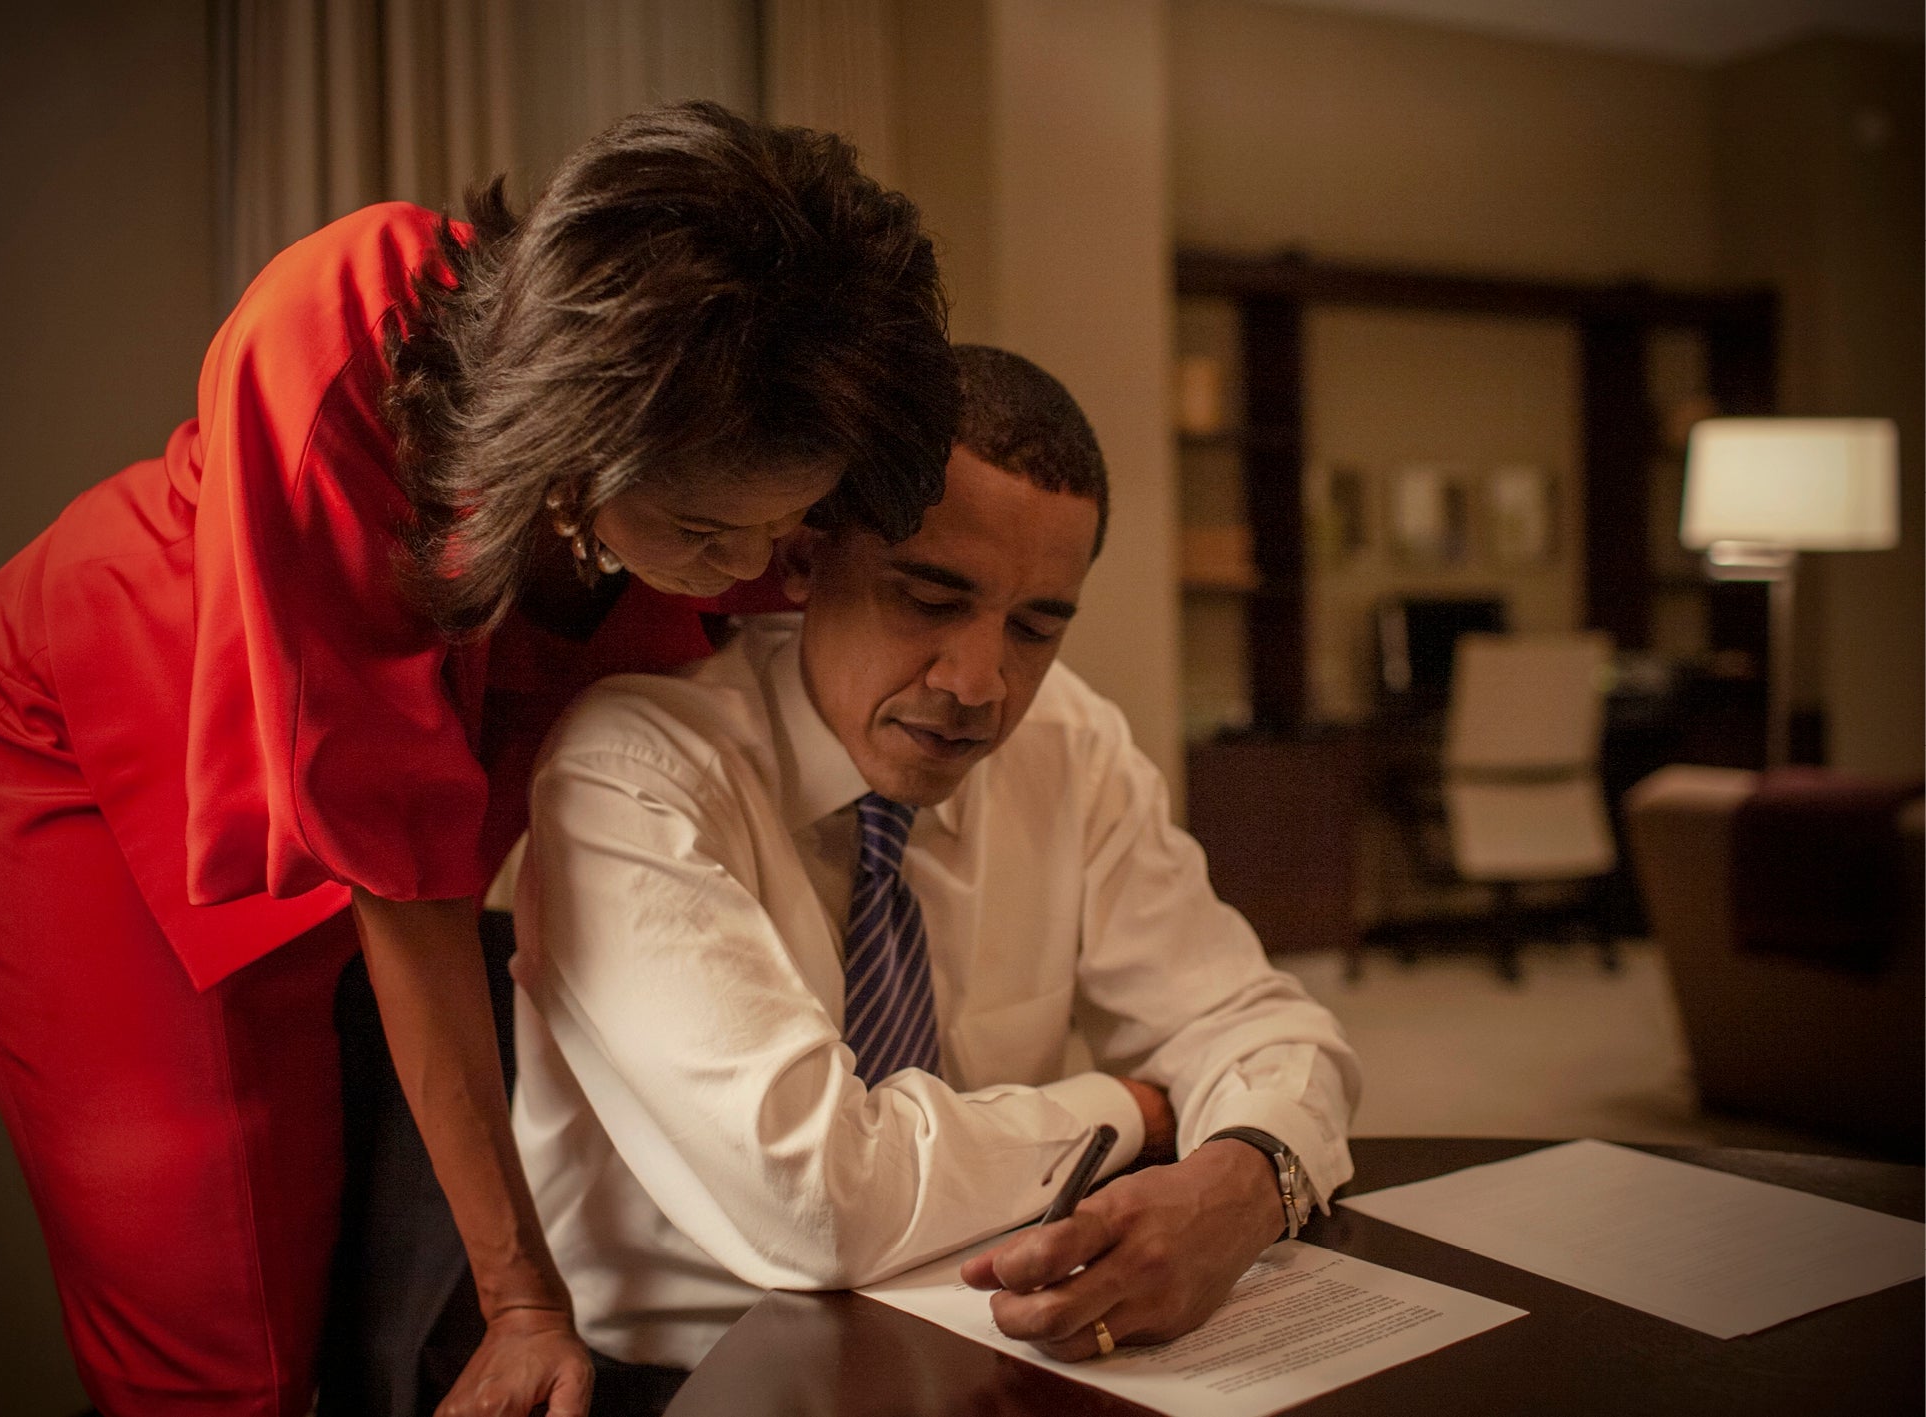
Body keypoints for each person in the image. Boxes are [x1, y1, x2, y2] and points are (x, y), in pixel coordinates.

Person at [0, 101, 957, 1417]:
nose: (764, 570)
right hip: (118, 752)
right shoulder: (341, 341)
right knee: (229, 1327)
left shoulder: (797, 417)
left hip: (422, 821)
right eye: (711, 534)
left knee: (390, 1288)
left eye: (789, 524)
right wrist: (524, 1295)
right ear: (575, 459)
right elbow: (402, 876)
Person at [512, 345, 1360, 1407]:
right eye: (926, 598)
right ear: (803, 557)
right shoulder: (633, 771)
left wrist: (1247, 1175)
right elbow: (819, 1201)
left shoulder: (1068, 744)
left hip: (1000, 1348)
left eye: (1035, 627)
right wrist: (1137, 1110)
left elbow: (1262, 1025)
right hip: (696, 1379)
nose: (978, 683)